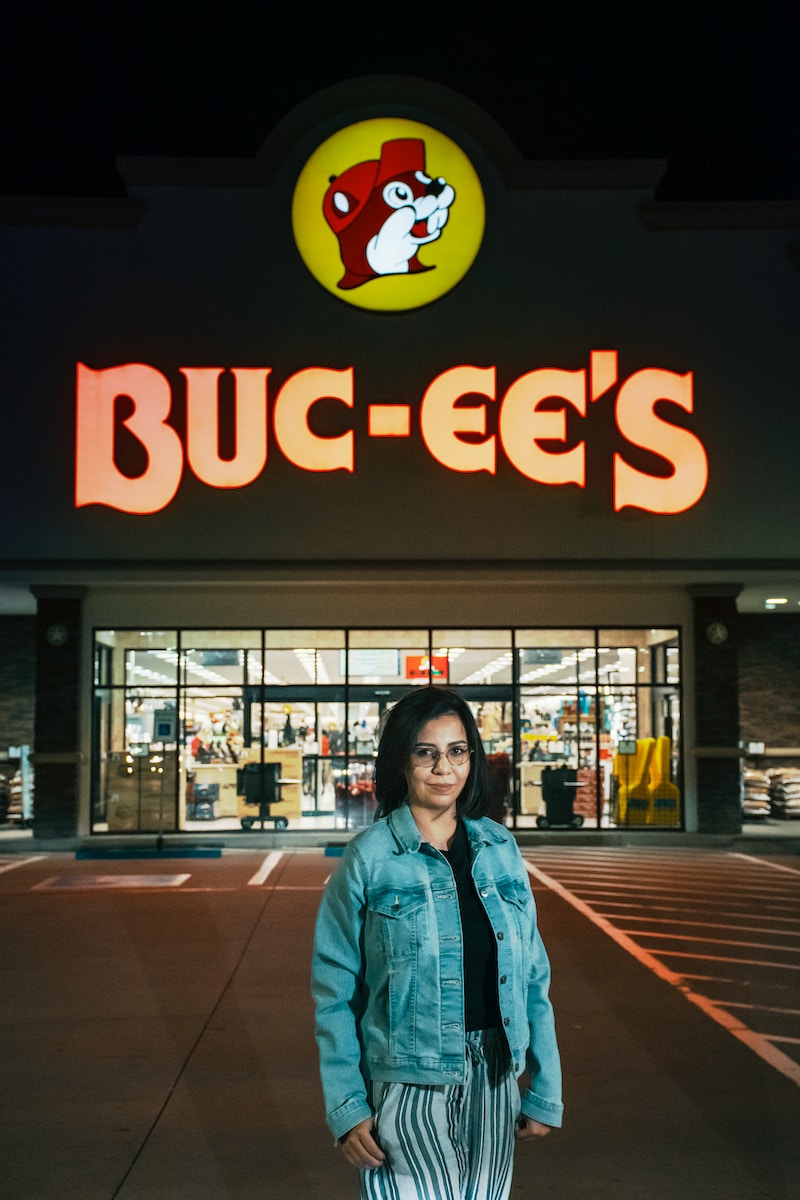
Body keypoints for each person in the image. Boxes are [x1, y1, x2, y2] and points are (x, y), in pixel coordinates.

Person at [311, 686, 563, 1200]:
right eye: (426, 752)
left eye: (457, 751)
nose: (443, 768)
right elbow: (334, 992)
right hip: (406, 1085)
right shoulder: (369, 859)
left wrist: (546, 1086)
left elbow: (533, 975)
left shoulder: (500, 848)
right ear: (401, 761)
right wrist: (347, 1105)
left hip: (495, 1079)